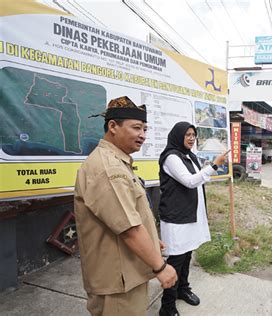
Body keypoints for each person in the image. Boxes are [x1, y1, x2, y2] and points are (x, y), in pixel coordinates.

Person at [74, 96, 177, 316]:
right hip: (117, 283)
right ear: (112, 126)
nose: (143, 135)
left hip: (126, 273)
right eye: (137, 128)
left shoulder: (117, 162)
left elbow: (128, 214)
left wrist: (150, 238)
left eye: (145, 129)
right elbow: (129, 229)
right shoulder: (108, 169)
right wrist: (160, 267)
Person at [158, 121, 229, 316]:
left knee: (187, 254)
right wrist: (214, 165)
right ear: (177, 135)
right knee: (176, 260)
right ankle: (167, 306)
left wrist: (209, 167)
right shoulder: (171, 157)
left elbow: (198, 177)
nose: (191, 138)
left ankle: (183, 289)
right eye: (187, 134)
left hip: (190, 214)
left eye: (193, 135)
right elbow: (190, 181)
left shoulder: (189, 156)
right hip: (176, 218)